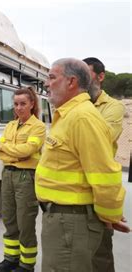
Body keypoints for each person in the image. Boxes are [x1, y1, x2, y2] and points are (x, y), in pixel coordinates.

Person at [36, 58, 126, 271]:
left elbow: (105, 174)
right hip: (64, 221)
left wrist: (109, 215)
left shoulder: (82, 118)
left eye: (51, 78)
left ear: (71, 82)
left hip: (71, 224)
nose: (46, 84)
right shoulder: (69, 115)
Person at [83, 57, 129, 272]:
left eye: (87, 74)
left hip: (99, 187)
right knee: (78, 249)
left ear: (101, 77)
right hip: (76, 186)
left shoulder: (113, 107)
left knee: (100, 252)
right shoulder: (71, 104)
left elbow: (102, 138)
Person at [0, 87, 46, 271]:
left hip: (26, 178)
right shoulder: (10, 125)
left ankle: (27, 263)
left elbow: (27, 151)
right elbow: (3, 153)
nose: (18, 108)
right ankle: (11, 258)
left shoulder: (38, 127)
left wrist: (5, 148)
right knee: (9, 219)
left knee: (25, 222)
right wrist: (14, 154)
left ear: (32, 104)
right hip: (7, 174)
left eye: (23, 104)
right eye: (15, 104)